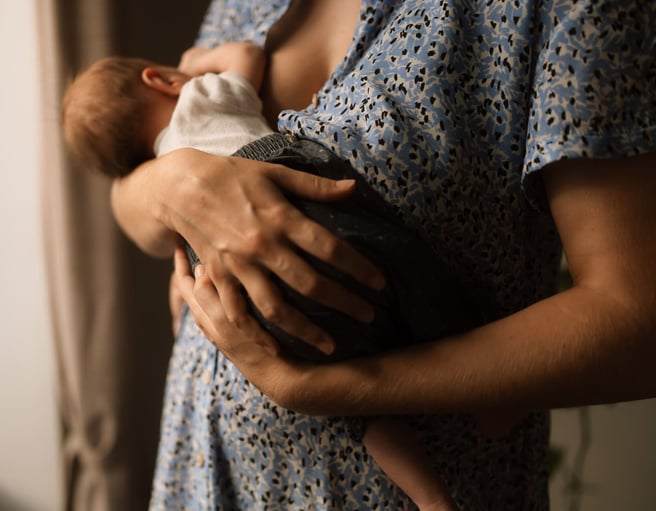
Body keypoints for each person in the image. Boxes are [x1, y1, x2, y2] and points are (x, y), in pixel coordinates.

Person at [110, 0, 656, 509]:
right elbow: (131, 203)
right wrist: (171, 185)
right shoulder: (245, 6)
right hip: (197, 473)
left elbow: (636, 321)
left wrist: (324, 389)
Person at [62, 40, 475, 510]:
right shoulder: (201, 95)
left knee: (355, 401)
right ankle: (481, 378)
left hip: (251, 303)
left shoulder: (161, 166)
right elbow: (247, 56)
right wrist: (191, 66)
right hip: (303, 209)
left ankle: (431, 498)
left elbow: (140, 211)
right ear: (159, 81)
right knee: (409, 269)